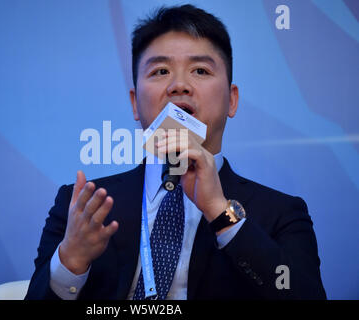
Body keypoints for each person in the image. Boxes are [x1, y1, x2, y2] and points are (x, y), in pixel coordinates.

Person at [25, 4, 326, 300]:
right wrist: (70, 263)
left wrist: (221, 213)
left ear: (232, 100)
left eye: (200, 70)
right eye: (160, 70)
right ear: (134, 103)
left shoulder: (281, 212)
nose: (179, 85)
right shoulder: (84, 206)